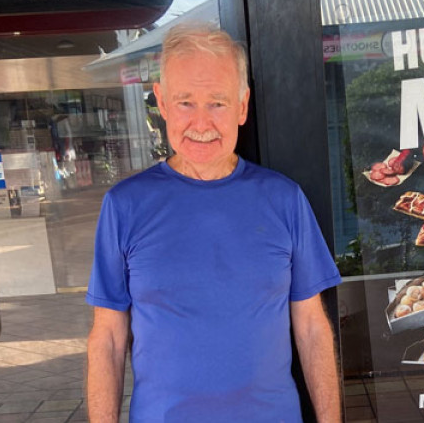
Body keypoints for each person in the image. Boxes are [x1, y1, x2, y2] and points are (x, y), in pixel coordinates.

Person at [86, 24, 343, 422]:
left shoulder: (284, 199)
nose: (201, 123)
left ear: (242, 106)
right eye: (185, 102)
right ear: (162, 103)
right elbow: (108, 338)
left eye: (218, 103)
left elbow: (311, 326)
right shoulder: (125, 206)